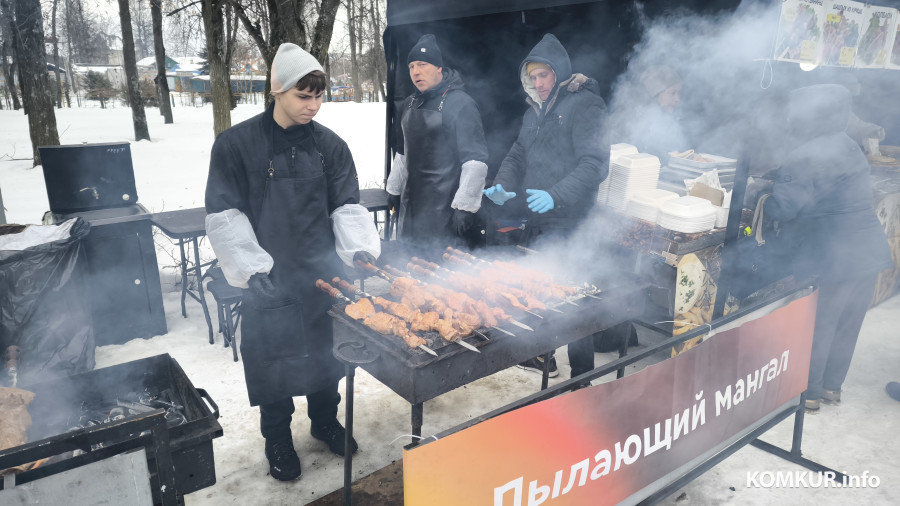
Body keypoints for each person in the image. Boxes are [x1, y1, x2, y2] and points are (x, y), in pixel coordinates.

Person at [204, 43, 381, 481]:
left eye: (319, 96)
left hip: (322, 274)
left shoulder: (330, 146)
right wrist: (250, 270)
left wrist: (358, 250)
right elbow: (224, 214)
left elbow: (346, 205)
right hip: (270, 277)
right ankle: (278, 440)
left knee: (327, 355)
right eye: (304, 96)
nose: (314, 106)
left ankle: (325, 422)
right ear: (277, 90)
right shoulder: (236, 145)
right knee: (273, 363)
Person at [483, 33, 608, 380]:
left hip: (571, 221)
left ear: (560, 73)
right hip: (538, 219)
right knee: (541, 292)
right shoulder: (533, 112)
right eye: (532, 76)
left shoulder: (586, 105)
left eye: (544, 76)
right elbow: (518, 153)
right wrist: (503, 185)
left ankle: (582, 379)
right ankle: (543, 360)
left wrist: (556, 194)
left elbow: (595, 163)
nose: (538, 83)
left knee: (574, 302)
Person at [764, 84, 892, 411]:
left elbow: (785, 207)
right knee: (848, 323)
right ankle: (832, 388)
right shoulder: (849, 145)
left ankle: (809, 393)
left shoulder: (805, 155)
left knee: (821, 322)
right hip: (867, 249)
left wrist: (759, 195)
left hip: (837, 254)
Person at [386, 34, 489, 249]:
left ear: (439, 68)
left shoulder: (461, 104)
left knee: (443, 272)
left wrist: (464, 207)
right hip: (411, 207)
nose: (416, 71)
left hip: (446, 209)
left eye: (422, 64)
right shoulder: (409, 103)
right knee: (412, 268)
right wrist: (394, 190)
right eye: (412, 66)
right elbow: (402, 151)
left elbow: (475, 160)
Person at [607, 65, 689, 161]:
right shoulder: (628, 120)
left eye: (679, 93)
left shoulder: (666, 119)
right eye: (672, 93)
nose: (677, 99)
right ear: (654, 93)